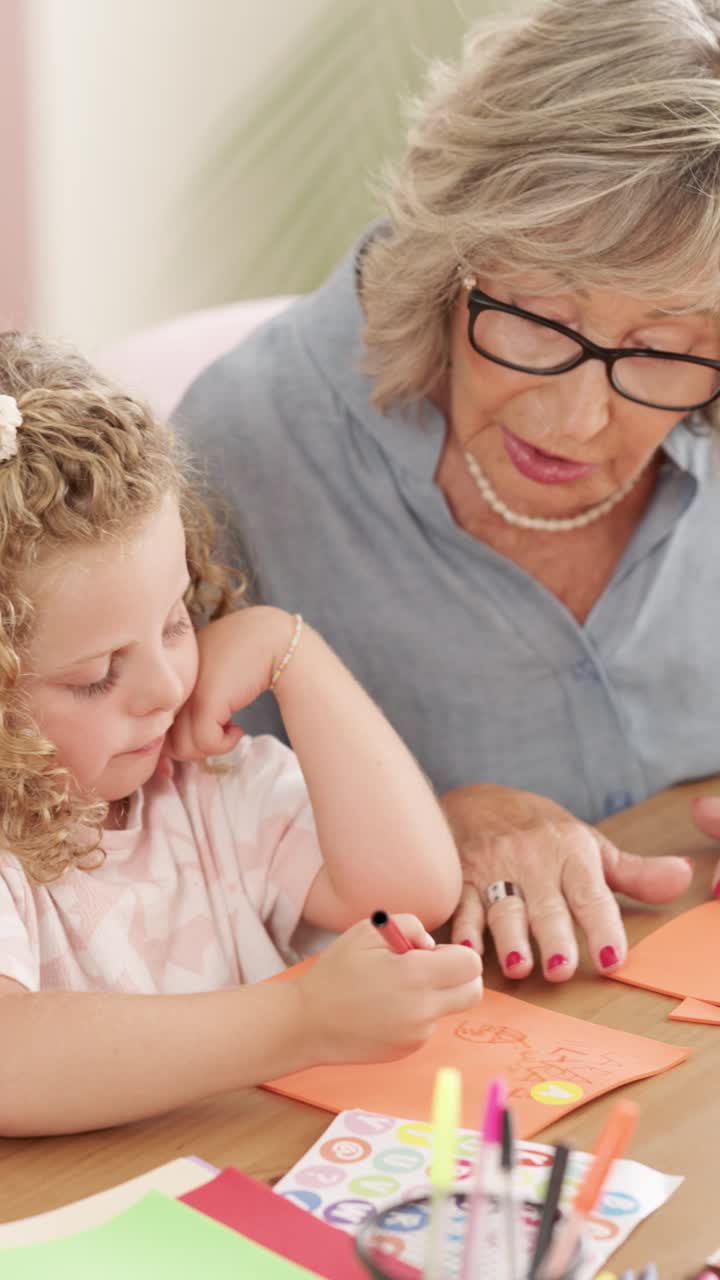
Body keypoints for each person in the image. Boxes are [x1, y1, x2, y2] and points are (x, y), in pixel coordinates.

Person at [175, 0, 720, 986]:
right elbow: (162, 843)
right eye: (539, 321)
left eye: (667, 353)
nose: (578, 417)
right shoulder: (244, 447)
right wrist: (424, 823)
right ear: (448, 255)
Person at [0, 333, 481, 1138]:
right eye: (96, 675)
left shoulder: (203, 789)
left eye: (175, 621)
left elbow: (409, 893)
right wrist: (298, 1020)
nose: (164, 687)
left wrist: (292, 651)